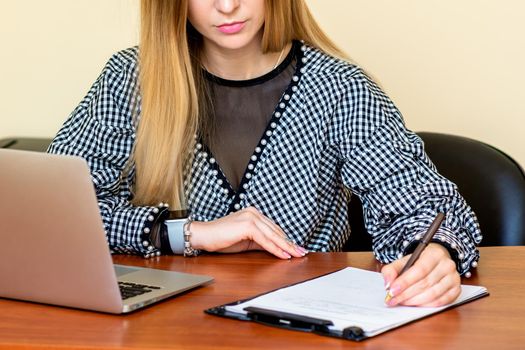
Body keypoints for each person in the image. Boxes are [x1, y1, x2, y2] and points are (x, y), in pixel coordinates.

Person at [48, 0, 482, 307]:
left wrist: (436, 254)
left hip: (304, 328)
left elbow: (422, 202)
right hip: (162, 329)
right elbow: (56, 211)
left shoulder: (341, 88)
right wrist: (187, 233)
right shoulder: (130, 80)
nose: (227, 5)